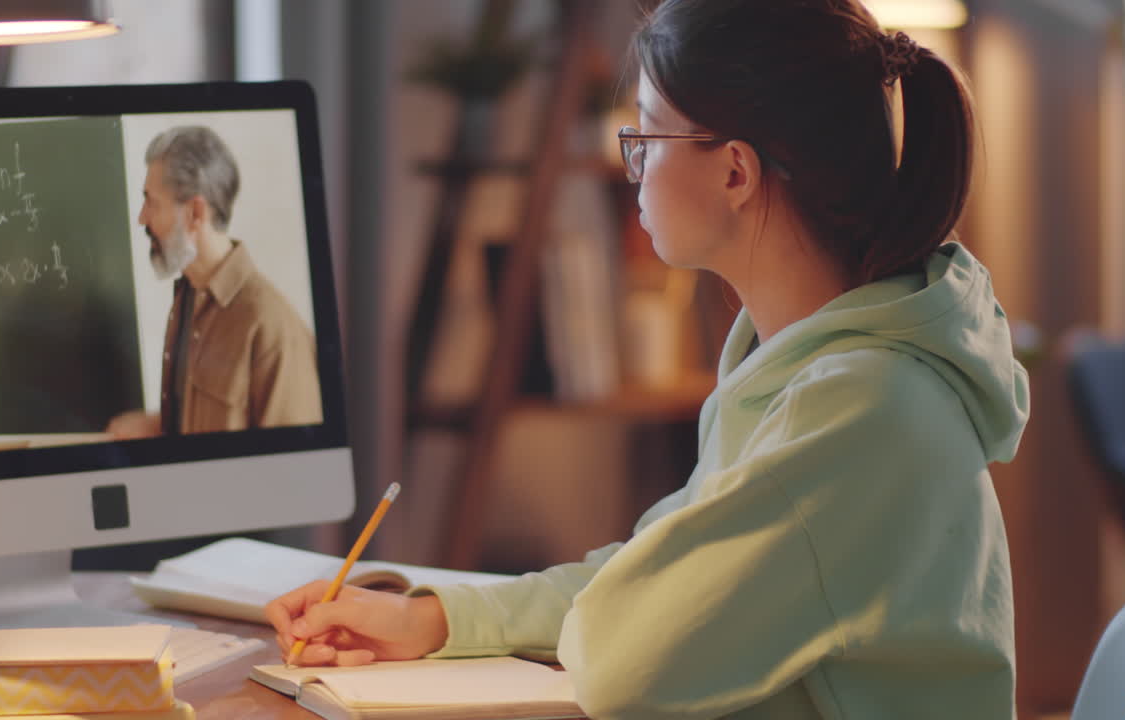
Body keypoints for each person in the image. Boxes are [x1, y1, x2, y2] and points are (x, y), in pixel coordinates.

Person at [266, 1, 1030, 717]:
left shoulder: (856, 408)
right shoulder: (801, 364)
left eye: (646, 137)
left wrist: (618, 606)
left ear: (735, 172)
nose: (632, 166)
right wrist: (432, 619)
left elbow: (624, 658)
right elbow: (644, 580)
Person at [107, 126, 322, 438]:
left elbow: (291, 462)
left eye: (151, 202)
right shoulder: (187, 297)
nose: (142, 218)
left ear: (195, 212)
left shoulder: (273, 329)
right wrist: (158, 427)